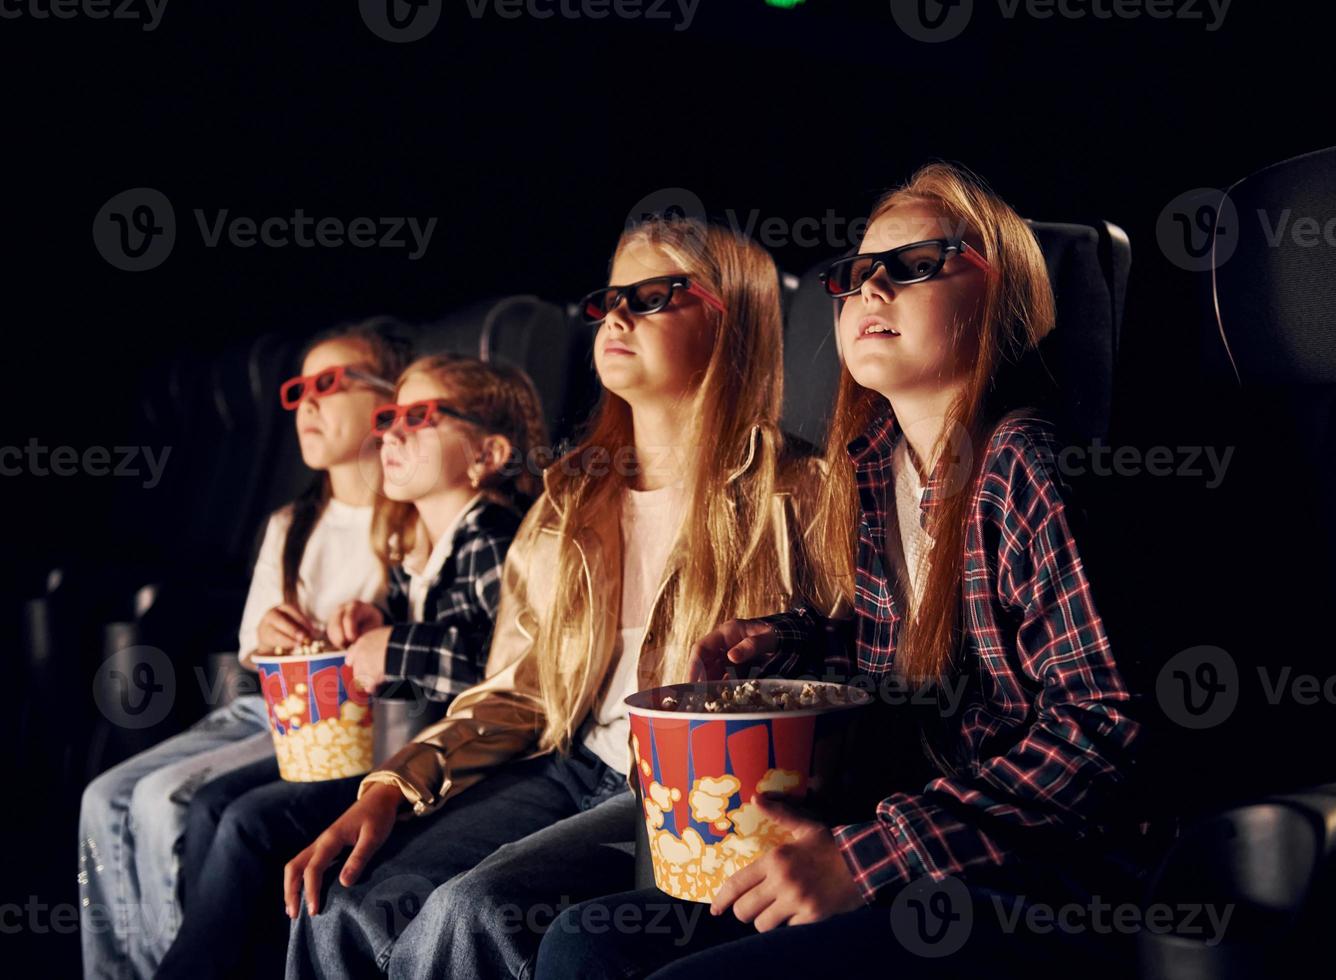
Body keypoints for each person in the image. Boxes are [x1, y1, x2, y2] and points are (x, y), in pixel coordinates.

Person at [535, 163, 1147, 980]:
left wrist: (868, 860)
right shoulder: (869, 469)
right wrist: (780, 649)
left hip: (1029, 880)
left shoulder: (1025, 464)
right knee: (583, 942)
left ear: (1008, 296)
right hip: (902, 838)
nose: (871, 290)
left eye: (914, 264)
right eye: (857, 275)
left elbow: (1102, 732)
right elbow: (892, 668)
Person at [282, 216, 842, 980]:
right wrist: (393, 783)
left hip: (678, 791)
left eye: (653, 296)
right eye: (611, 297)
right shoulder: (571, 495)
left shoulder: (799, 491)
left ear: (732, 315)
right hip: (565, 762)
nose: (615, 315)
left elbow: (842, 671)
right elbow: (520, 689)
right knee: (344, 900)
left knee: (472, 912)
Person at [154, 353, 544, 979]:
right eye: (389, 417)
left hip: (470, 765)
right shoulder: (421, 551)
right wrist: (369, 625)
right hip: (414, 753)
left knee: (252, 824)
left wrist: (394, 647)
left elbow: (510, 674)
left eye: (419, 418)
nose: (390, 433)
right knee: (221, 808)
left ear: (487, 454)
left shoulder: (495, 538)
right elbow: (412, 651)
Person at [78, 319, 410, 979]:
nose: (307, 402)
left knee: (161, 798)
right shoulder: (291, 524)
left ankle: (185, 958)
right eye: (299, 390)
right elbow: (252, 647)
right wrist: (269, 637)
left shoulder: (406, 521)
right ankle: (125, 969)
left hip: (340, 725)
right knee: (103, 795)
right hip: (270, 708)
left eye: (329, 383)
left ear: (388, 402)